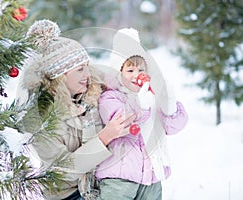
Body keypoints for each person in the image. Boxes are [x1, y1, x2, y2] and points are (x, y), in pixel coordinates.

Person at [15, 20, 136, 200]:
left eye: (87, 66)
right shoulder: (39, 119)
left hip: (102, 184)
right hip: (69, 194)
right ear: (60, 76)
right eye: (80, 69)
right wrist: (105, 137)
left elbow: (120, 81)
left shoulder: (90, 89)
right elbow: (63, 170)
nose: (87, 74)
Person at [94, 28, 189, 200]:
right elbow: (121, 120)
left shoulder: (151, 96)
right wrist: (140, 104)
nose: (136, 76)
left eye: (140, 70)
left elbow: (172, 127)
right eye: (130, 71)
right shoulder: (111, 96)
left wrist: (169, 107)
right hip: (119, 179)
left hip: (151, 176)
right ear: (118, 72)